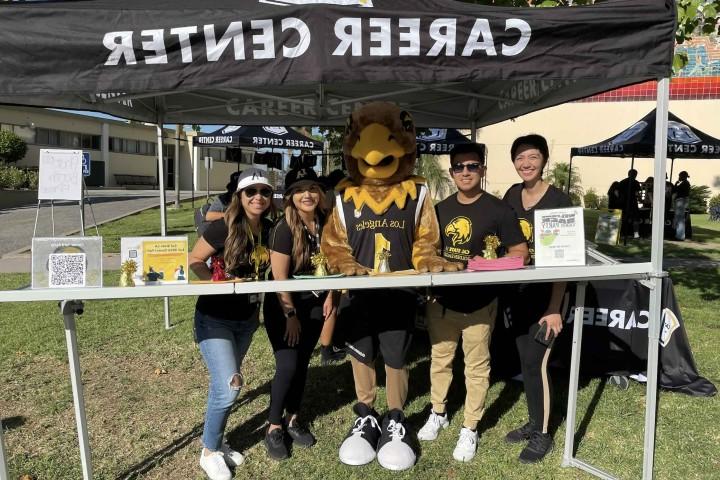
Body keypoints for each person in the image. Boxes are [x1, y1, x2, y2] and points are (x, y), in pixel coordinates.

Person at [418, 143, 528, 462]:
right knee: (440, 360)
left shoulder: (499, 210)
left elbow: (520, 253)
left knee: (477, 367)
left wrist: (487, 266)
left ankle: (470, 427)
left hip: (480, 304)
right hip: (441, 303)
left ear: (482, 170)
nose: (465, 172)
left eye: (472, 166)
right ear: (452, 173)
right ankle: (438, 412)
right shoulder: (439, 210)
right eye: (459, 167)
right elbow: (428, 251)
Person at [188, 168, 275, 480]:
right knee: (230, 386)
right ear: (240, 196)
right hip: (214, 318)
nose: (258, 198)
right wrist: (216, 281)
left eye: (265, 192)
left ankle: (218, 441)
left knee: (222, 386)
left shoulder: (270, 229)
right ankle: (209, 452)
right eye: (251, 192)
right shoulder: (222, 227)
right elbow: (194, 260)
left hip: (247, 320)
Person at [502, 134, 572, 464]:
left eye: (532, 157)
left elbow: (565, 260)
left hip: (548, 296)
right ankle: (534, 421)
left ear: (544, 159)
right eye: (520, 158)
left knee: (536, 362)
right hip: (518, 294)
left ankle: (543, 434)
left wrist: (554, 309)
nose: (526, 163)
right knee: (525, 361)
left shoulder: (560, 200)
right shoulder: (511, 195)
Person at [262, 166, 338, 460]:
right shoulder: (283, 229)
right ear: (290, 196)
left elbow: (334, 264)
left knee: (303, 362)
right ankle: (272, 427)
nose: (308, 194)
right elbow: (280, 279)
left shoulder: (326, 223)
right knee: (287, 365)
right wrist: (290, 315)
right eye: (300, 190)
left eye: (313, 189)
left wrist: (332, 294)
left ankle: (293, 418)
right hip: (285, 306)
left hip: (317, 305)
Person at [617, 169, 641, 239]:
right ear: (635, 175)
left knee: (623, 219)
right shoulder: (636, 182)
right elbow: (637, 193)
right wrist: (641, 200)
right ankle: (636, 234)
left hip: (623, 203)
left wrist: (620, 199)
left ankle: (622, 234)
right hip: (633, 202)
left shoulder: (622, 182)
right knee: (635, 219)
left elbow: (617, 192)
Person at [673, 170, 691, 241]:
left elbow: (675, 190)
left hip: (681, 200)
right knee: (680, 218)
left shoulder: (685, 184)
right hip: (681, 200)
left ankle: (680, 236)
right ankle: (679, 235)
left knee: (680, 219)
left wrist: (676, 184)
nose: (679, 177)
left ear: (683, 176)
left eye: (680, 176)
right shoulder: (685, 183)